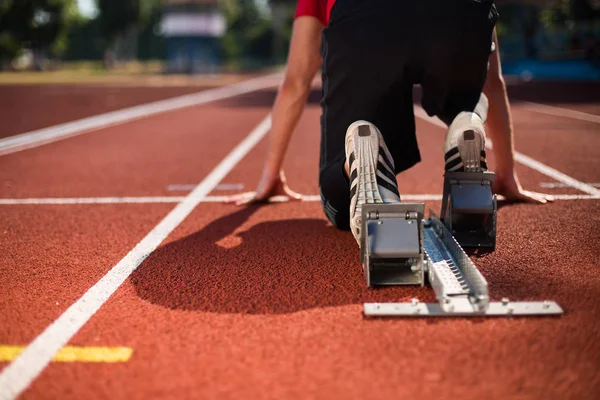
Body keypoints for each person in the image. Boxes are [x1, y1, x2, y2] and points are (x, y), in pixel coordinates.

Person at [226, 0, 552, 245]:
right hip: (461, 12)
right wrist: (506, 172)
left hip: (367, 16)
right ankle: (466, 122)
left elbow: (297, 80)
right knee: (466, 100)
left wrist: (270, 174)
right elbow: (491, 78)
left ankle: (361, 158)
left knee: (338, 196)